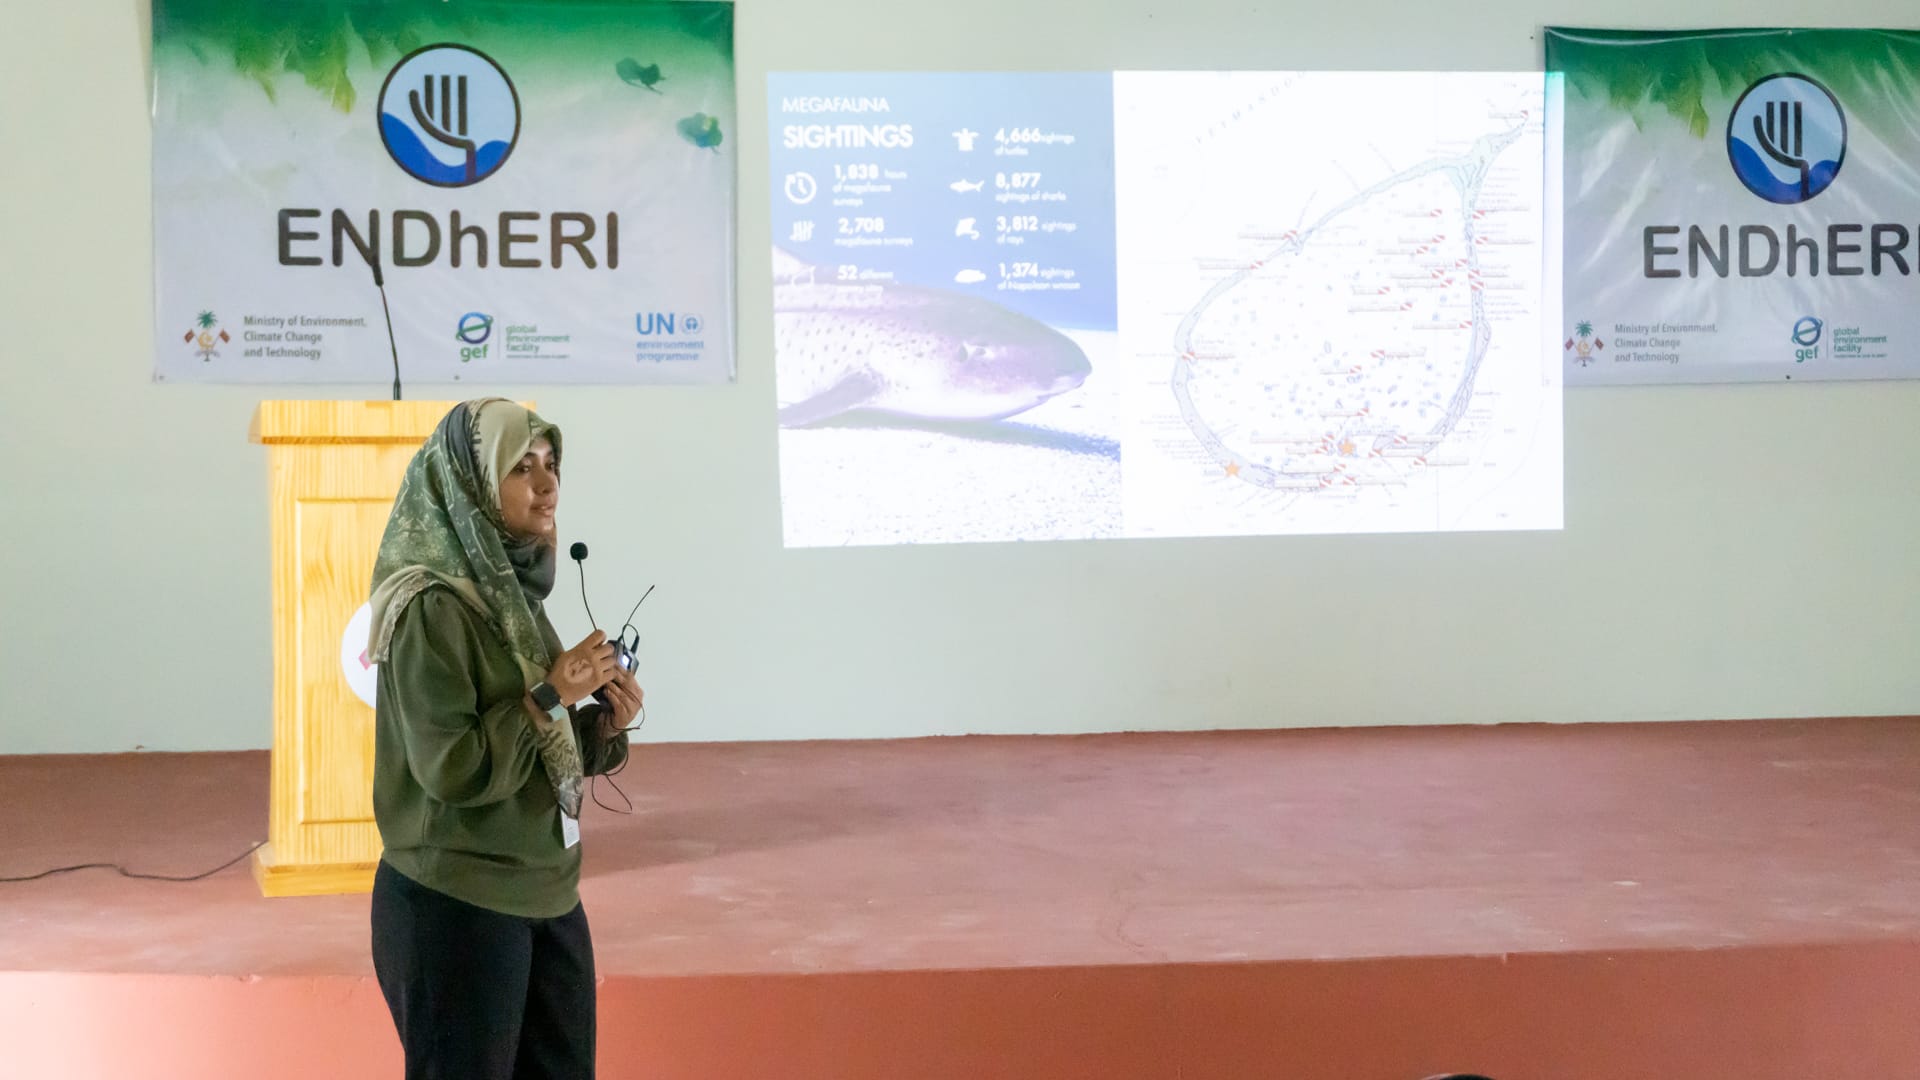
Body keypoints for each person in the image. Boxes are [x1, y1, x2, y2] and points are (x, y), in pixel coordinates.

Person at [364, 397, 642, 1079]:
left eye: (551, 465)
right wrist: (551, 694)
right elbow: (453, 768)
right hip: (458, 902)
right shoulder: (430, 607)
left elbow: (537, 743)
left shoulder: (511, 597)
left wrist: (602, 725)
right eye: (521, 467)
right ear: (473, 484)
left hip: (548, 893)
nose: (546, 485)